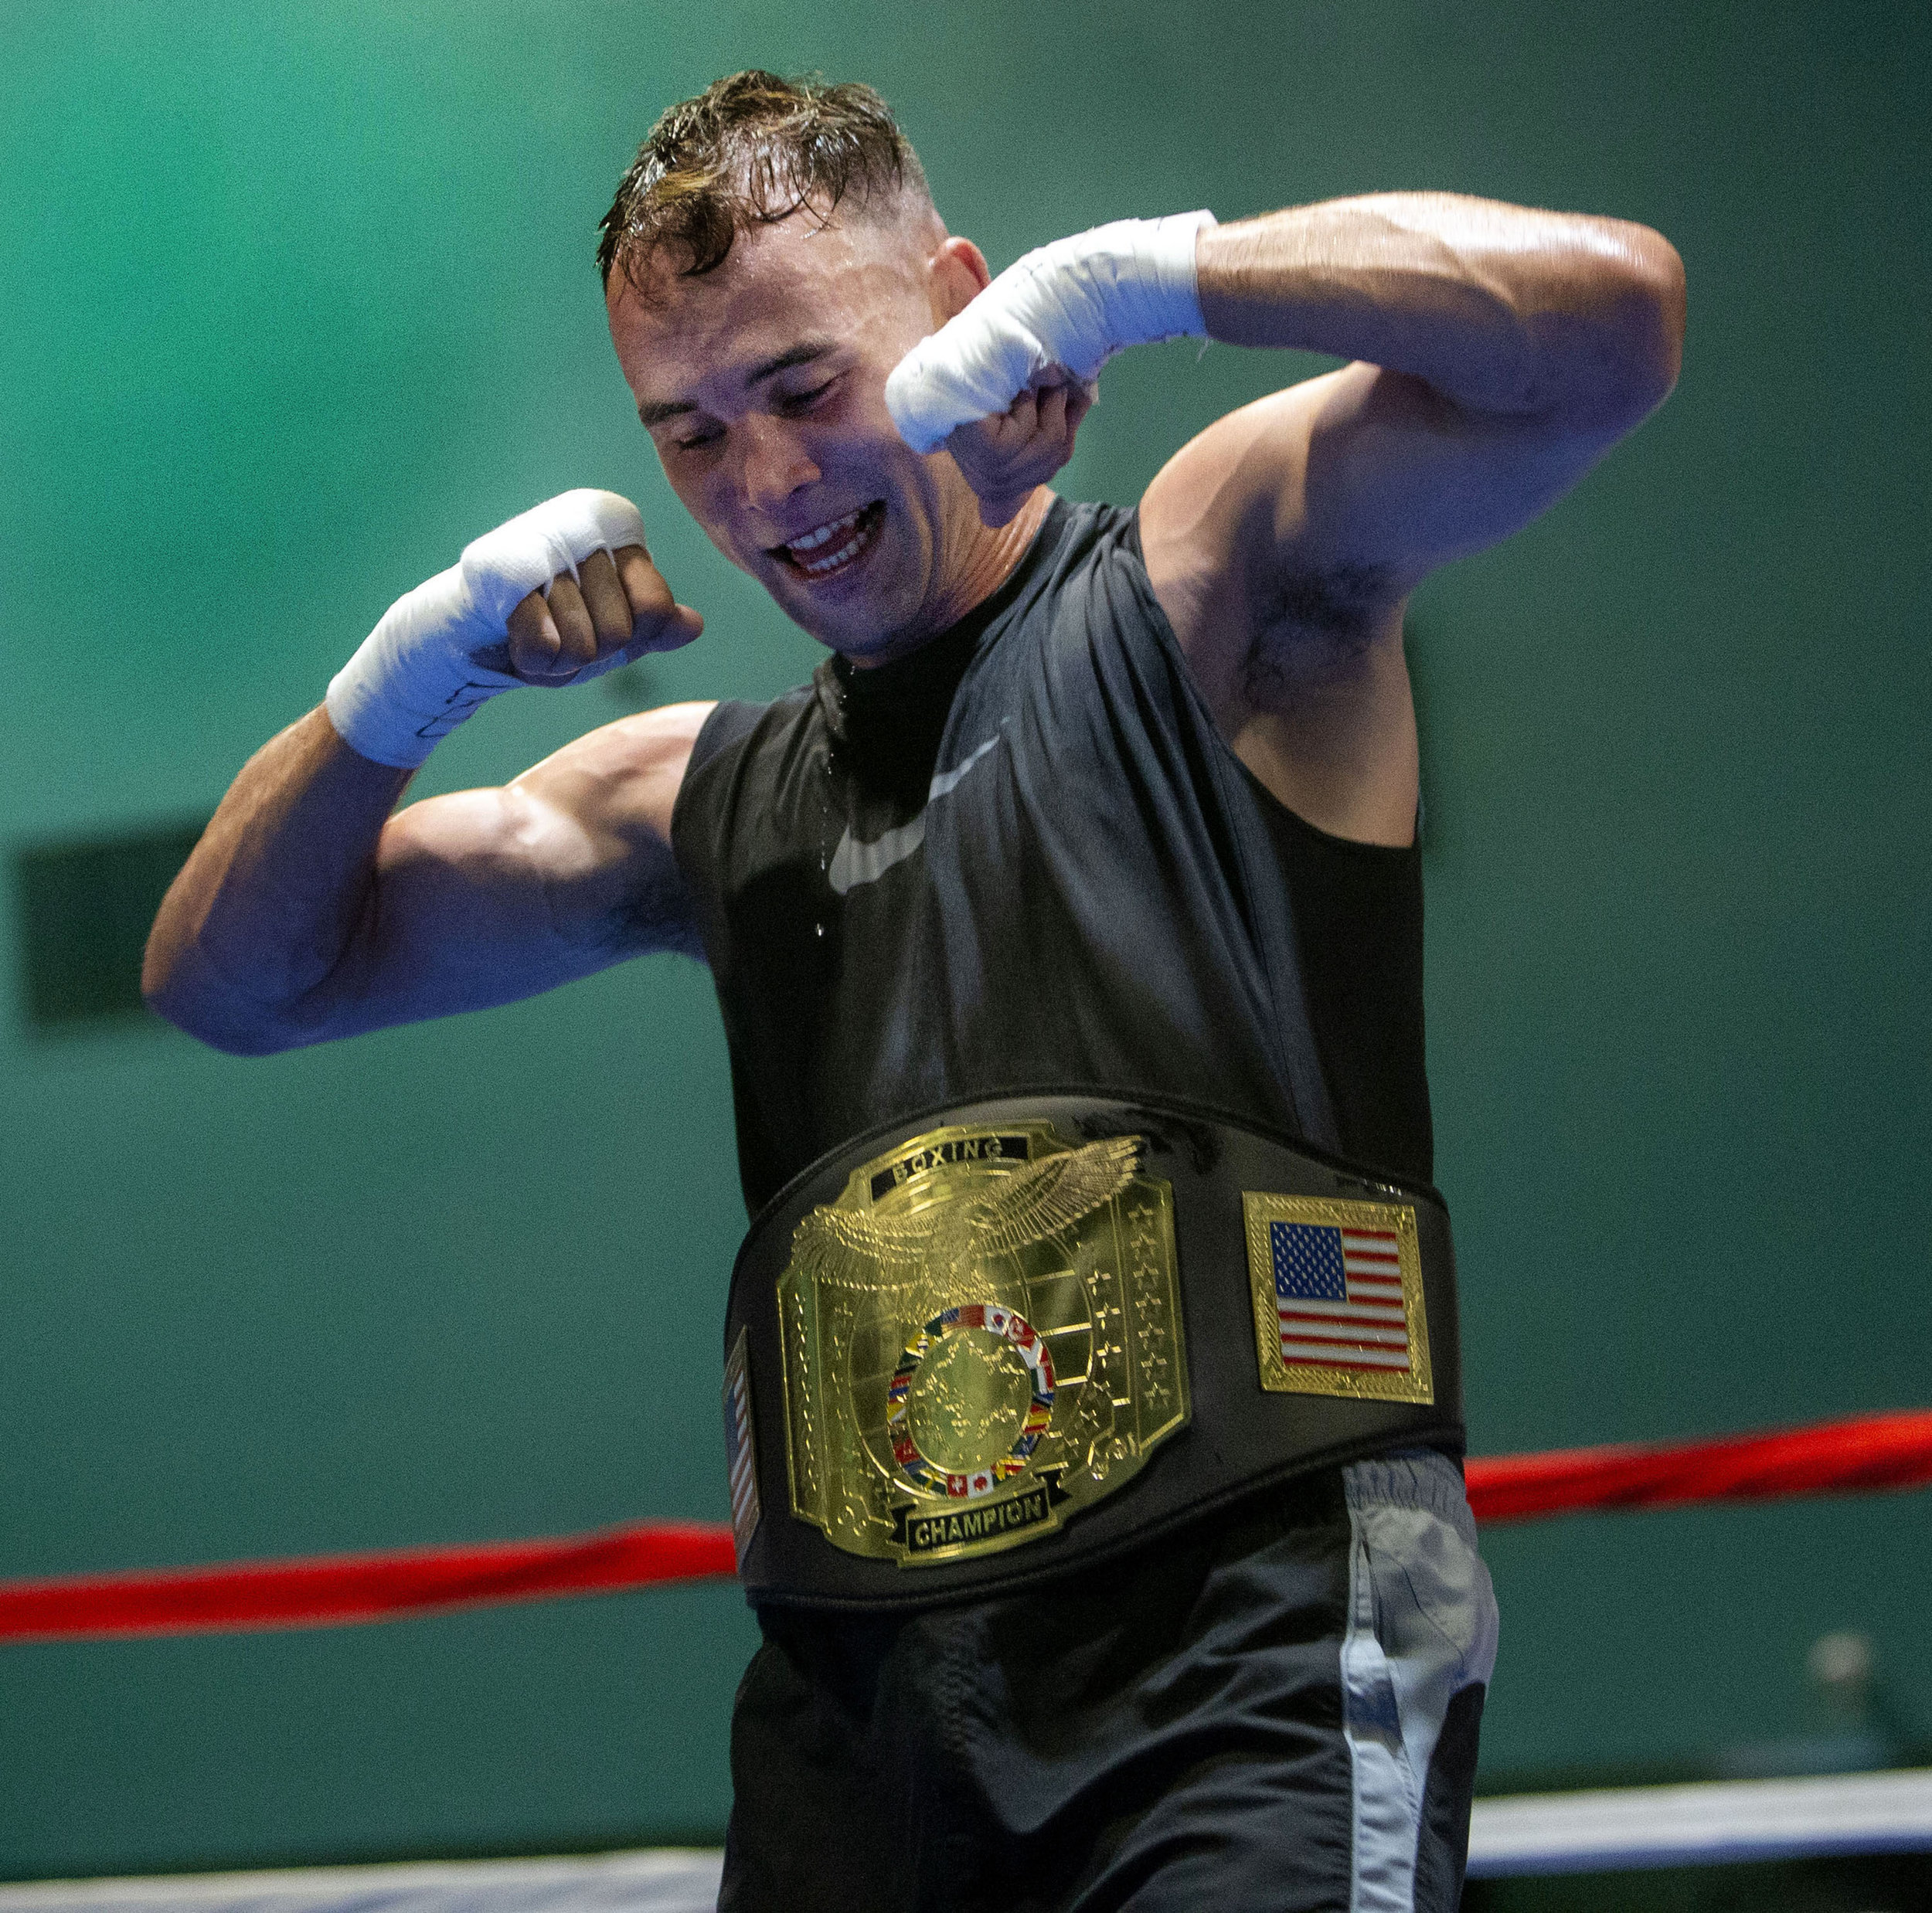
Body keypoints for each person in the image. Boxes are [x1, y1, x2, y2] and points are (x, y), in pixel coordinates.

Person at [145, 70, 1682, 1913]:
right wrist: (399, 691)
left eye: (803, 386)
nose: (768, 485)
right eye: (692, 434)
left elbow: (1607, 325)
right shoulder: (686, 797)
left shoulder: (1209, 582)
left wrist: (1152, 275)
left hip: (1240, 1654)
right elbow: (236, 982)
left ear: (961, 300)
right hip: (859, 1715)